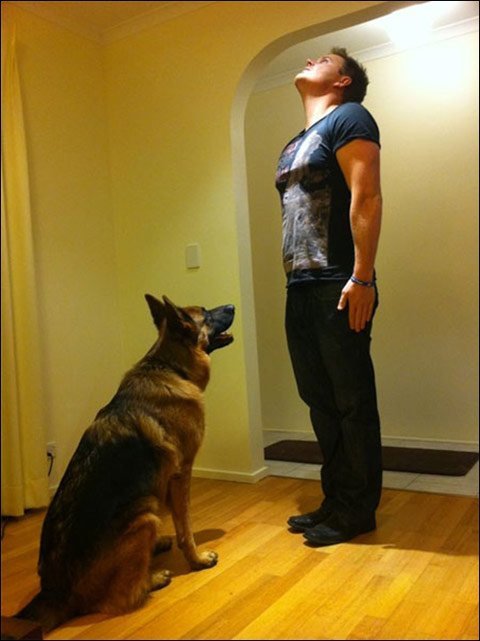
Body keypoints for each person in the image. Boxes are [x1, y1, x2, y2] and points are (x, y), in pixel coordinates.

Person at [275, 47, 383, 546]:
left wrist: (363, 278)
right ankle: (337, 499)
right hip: (299, 286)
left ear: (342, 81)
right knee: (319, 401)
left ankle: (357, 510)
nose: (311, 60)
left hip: (339, 283)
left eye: (324, 60)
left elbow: (367, 196)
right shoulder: (295, 142)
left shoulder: (350, 117)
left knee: (351, 401)